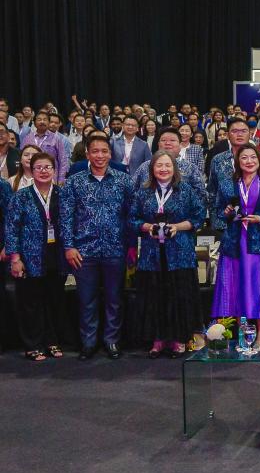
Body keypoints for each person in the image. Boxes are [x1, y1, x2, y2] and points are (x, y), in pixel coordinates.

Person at [60, 136, 132, 360]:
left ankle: (112, 341)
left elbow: (131, 215)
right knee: (86, 300)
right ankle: (88, 343)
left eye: (104, 151)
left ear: (110, 154)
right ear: (87, 154)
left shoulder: (124, 180)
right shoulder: (74, 182)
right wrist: (69, 246)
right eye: (95, 151)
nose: (100, 155)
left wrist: (131, 246)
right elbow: (65, 217)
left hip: (115, 249)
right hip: (83, 251)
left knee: (114, 299)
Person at [130, 153, 205, 358]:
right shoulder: (143, 192)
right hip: (151, 254)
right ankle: (158, 340)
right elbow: (132, 219)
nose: (163, 169)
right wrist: (148, 227)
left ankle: (179, 339)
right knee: (155, 297)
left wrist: (177, 227)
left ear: (174, 168)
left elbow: (198, 216)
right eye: (159, 165)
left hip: (179, 252)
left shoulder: (186, 190)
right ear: (152, 169)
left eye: (167, 165)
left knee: (179, 296)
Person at [211, 145, 260, 349]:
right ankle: (238, 334)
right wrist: (226, 213)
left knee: (259, 289)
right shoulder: (227, 185)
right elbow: (217, 212)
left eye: (253, 157)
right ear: (238, 162)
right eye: (244, 158)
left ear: (259, 161)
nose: (249, 161)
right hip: (234, 243)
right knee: (234, 288)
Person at [4, 152, 65, 360]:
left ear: (54, 170)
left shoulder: (62, 194)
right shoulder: (21, 196)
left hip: (56, 256)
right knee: (31, 303)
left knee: (54, 300)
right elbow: (11, 229)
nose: (43, 171)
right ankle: (32, 344)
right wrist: (15, 258)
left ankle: (52, 341)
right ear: (31, 169)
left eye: (47, 167)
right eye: (38, 167)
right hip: (29, 257)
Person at [22, 111, 68, 183]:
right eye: (39, 119)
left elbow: (63, 160)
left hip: (51, 177)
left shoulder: (56, 139)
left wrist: (61, 179)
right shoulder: (27, 138)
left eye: (45, 119)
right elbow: (22, 158)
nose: (42, 122)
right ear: (34, 123)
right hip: (31, 176)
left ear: (48, 122)